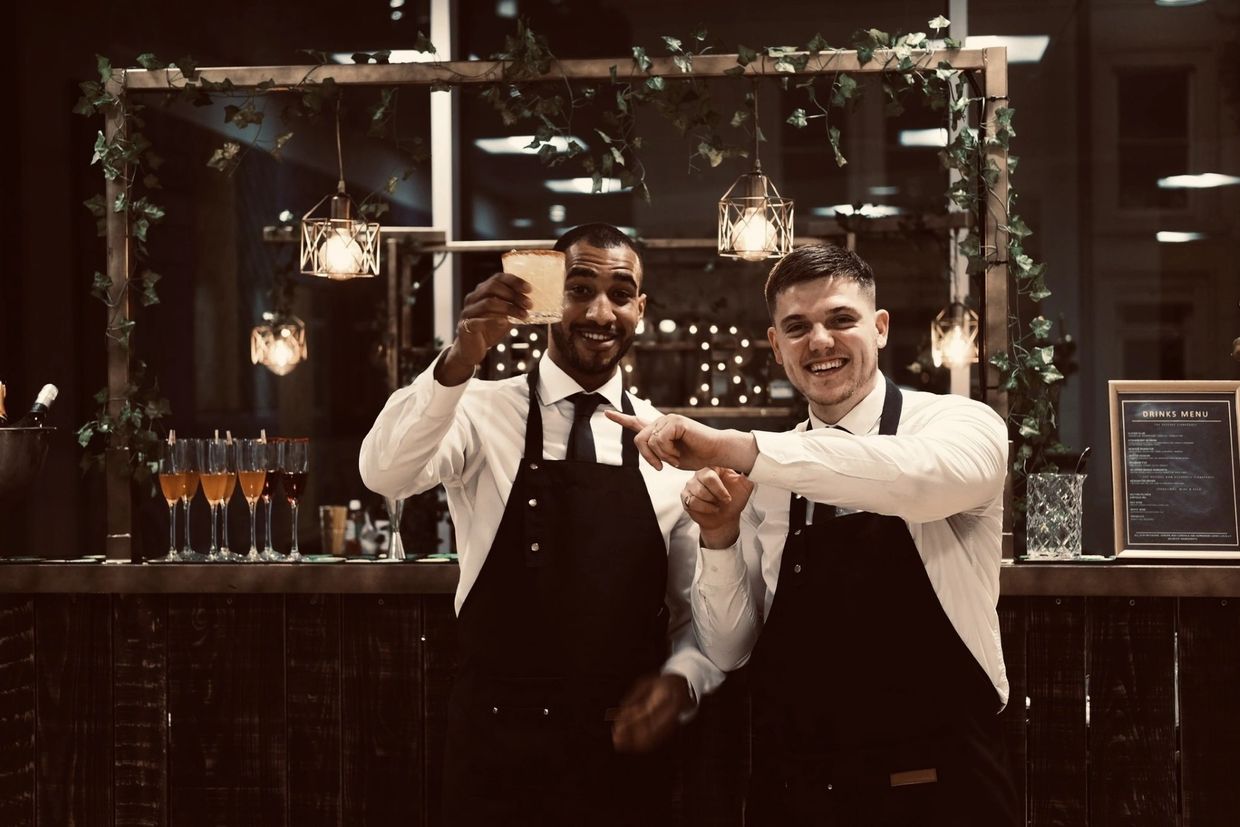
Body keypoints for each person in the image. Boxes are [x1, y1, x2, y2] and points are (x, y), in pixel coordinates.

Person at [608, 244, 1019, 826]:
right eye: (797, 327)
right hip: (799, 791)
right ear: (776, 346)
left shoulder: (959, 424)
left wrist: (737, 446)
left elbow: (913, 478)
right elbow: (729, 649)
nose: (820, 341)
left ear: (880, 328)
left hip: (940, 788)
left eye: (841, 319)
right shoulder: (766, 473)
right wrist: (720, 537)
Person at [359, 223, 724, 826]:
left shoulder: (667, 443)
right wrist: (461, 357)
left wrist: (680, 679)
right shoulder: (477, 409)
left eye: (620, 294)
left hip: (620, 758)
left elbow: (693, 612)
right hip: (496, 756)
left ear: (641, 308)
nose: (600, 313)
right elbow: (385, 474)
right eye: (579, 289)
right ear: (549, 297)